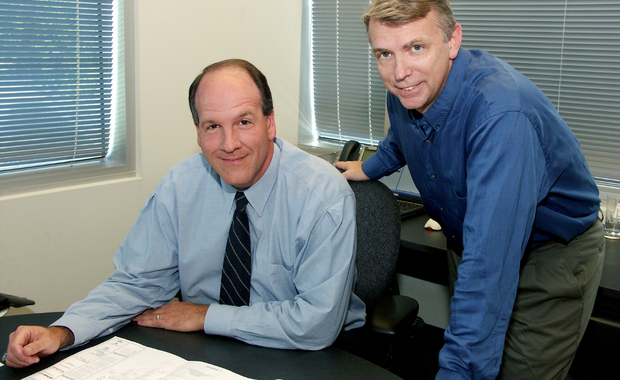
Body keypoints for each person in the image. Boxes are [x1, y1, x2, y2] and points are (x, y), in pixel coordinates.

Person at [6, 59, 365, 368]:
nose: (229, 144)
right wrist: (62, 332)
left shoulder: (322, 194)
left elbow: (316, 325)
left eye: (244, 121)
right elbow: (136, 282)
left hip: (311, 354)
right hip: (207, 351)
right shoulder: (181, 185)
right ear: (197, 132)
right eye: (213, 126)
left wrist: (204, 315)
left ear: (270, 123)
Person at [335, 1, 606, 379]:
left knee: (518, 372)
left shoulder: (501, 116)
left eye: (416, 47)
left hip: (550, 253)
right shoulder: (410, 88)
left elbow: (488, 266)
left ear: (452, 40)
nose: (399, 73)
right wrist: (370, 167)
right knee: (476, 338)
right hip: (469, 236)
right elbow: (402, 135)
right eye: (384, 53)